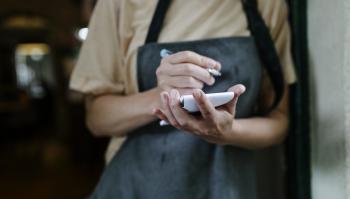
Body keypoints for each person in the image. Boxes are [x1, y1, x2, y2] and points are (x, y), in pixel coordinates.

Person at [70, 0, 296, 198]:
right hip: (137, 186)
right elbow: (96, 119)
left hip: (227, 187)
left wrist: (227, 131)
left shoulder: (265, 5)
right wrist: (160, 98)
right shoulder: (120, 4)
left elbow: (279, 119)